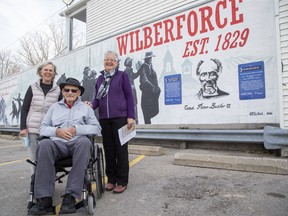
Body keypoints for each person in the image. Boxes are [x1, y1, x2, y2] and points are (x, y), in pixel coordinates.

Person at [28, 77, 101, 215]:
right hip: (57, 145)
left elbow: (96, 128)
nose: (70, 92)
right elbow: (42, 128)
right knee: (44, 144)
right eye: (66, 90)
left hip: (77, 144)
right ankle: (44, 199)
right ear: (62, 91)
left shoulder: (86, 108)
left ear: (79, 92)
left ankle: (70, 196)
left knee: (84, 142)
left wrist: (76, 130)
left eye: (74, 90)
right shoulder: (54, 108)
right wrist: (57, 131)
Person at [89, 50, 135, 194]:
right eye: (106, 59)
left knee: (121, 151)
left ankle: (122, 181)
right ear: (104, 62)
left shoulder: (122, 76)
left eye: (112, 60)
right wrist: (90, 106)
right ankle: (111, 180)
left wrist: (130, 116)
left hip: (120, 118)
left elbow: (129, 96)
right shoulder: (100, 79)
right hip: (104, 119)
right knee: (109, 150)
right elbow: (97, 99)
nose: (109, 62)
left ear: (116, 62)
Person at [19, 62, 61, 172]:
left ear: (54, 73)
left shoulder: (58, 90)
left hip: (49, 129)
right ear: (40, 72)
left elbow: (62, 109)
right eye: (45, 70)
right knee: (34, 157)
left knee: (48, 156)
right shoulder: (32, 87)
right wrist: (23, 127)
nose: (48, 72)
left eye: (50, 70)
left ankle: (48, 179)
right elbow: (25, 108)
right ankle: (35, 181)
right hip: (33, 127)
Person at [137, 51, 161, 124]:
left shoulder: (151, 68)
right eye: (149, 58)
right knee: (147, 116)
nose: (150, 59)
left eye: (151, 58)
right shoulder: (143, 68)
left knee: (152, 112)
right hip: (146, 96)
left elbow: (154, 80)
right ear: (146, 59)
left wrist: (156, 88)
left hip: (151, 96)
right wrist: (153, 88)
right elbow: (143, 81)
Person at [124, 57, 140, 124]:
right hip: (131, 92)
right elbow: (133, 77)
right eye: (130, 62)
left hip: (131, 91)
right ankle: (134, 120)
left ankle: (135, 120)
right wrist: (139, 70)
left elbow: (134, 76)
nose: (131, 63)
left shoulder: (128, 70)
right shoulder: (127, 71)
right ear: (128, 63)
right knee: (133, 105)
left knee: (134, 105)